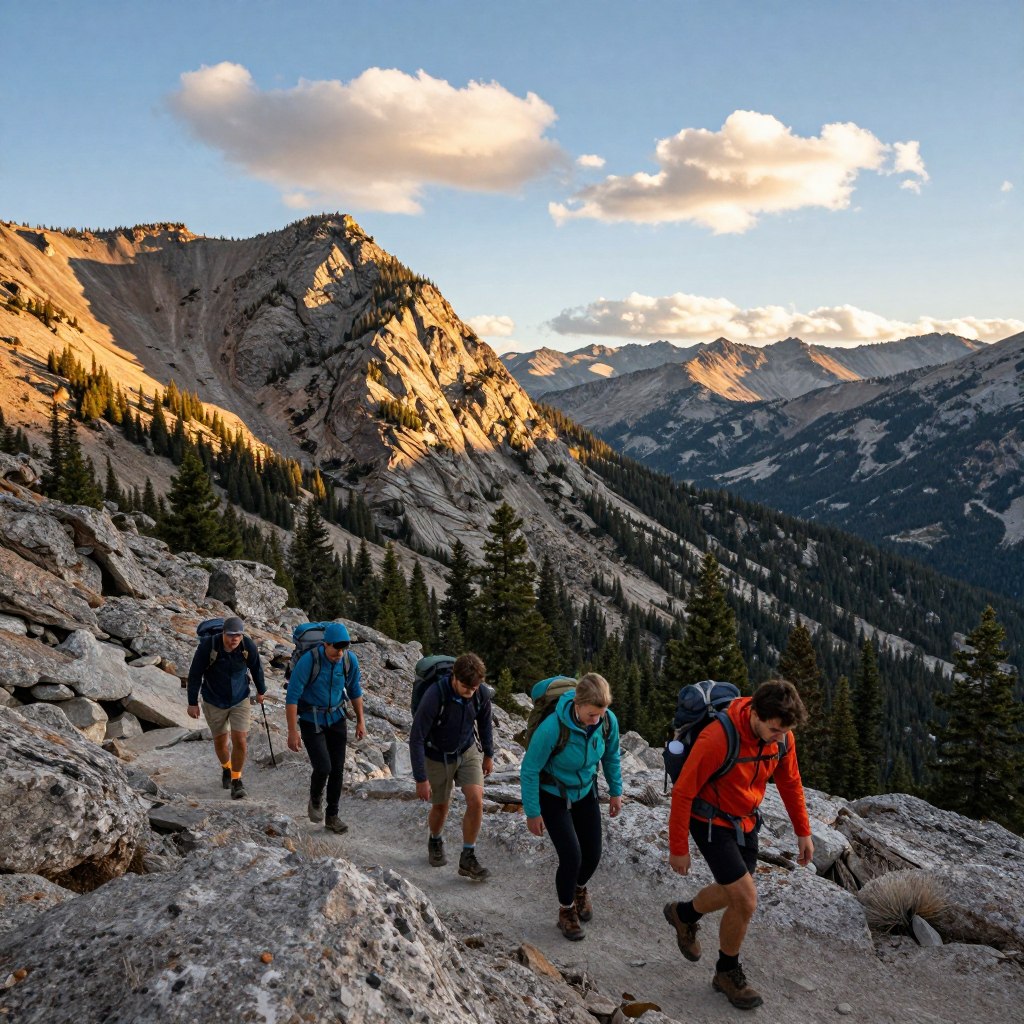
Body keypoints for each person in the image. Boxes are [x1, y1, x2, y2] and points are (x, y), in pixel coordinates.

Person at [665, 677, 814, 1010]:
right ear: (756, 715)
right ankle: (726, 973)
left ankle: (683, 914)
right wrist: (679, 847)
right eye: (775, 730)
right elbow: (684, 792)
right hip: (709, 822)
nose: (781, 737)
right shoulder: (717, 737)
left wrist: (803, 831)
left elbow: (790, 782)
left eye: (785, 732)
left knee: (730, 892)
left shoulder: (782, 737)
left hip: (745, 822)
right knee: (746, 899)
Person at [520, 673, 623, 941]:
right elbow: (530, 770)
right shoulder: (553, 728)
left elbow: (611, 757)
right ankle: (566, 911)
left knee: (593, 854)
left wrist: (616, 791)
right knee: (572, 856)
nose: (596, 720)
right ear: (577, 704)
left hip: (585, 790)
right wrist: (533, 812)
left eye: (600, 714)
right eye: (591, 714)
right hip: (552, 794)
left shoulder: (607, 722)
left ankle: (579, 889)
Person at [409, 653, 493, 881]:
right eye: (466, 687)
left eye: (474, 687)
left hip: (467, 750)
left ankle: (468, 855)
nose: (470, 691)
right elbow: (416, 737)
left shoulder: (480, 693)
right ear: (454, 677)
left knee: (476, 801)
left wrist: (489, 754)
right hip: (437, 755)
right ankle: (435, 839)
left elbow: (485, 723)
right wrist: (420, 778)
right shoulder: (435, 695)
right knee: (441, 807)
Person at [286, 621, 366, 834]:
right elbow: (292, 697)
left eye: (343, 649)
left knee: (338, 770)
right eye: (335, 649)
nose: (339, 653)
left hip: (337, 718)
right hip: (311, 720)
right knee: (323, 767)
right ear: (325, 644)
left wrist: (360, 720)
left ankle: (332, 816)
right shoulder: (308, 661)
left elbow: (355, 690)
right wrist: (292, 731)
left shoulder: (349, 660)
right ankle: (315, 799)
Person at [186, 615, 266, 800]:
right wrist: (192, 702)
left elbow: (256, 668)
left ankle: (237, 780)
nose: (234, 639)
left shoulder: (247, 645)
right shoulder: (208, 646)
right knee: (221, 743)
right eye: (231, 635)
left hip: (240, 699)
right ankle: (226, 768)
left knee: (240, 740)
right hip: (214, 700)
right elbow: (195, 674)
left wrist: (261, 691)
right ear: (223, 633)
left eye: (238, 635)